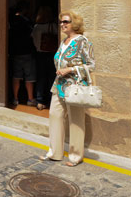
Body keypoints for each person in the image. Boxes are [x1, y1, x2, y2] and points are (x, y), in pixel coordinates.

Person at [40, 11, 95, 167]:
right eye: (61, 22)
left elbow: (91, 65)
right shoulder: (64, 41)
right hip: (59, 85)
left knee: (76, 121)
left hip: (75, 86)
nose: (62, 24)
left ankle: (75, 156)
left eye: (66, 22)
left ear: (75, 23)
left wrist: (70, 70)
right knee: (54, 115)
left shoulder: (83, 42)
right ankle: (55, 153)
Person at [9, 0, 36, 107]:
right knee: (29, 76)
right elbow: (32, 34)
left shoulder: (10, 20)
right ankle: (30, 99)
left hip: (15, 51)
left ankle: (15, 99)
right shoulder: (26, 21)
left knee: (16, 76)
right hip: (27, 51)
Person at [31, 6, 58, 110]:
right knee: (52, 77)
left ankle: (39, 101)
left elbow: (33, 39)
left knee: (41, 77)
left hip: (39, 54)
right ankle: (52, 100)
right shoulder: (53, 26)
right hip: (51, 54)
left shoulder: (36, 26)